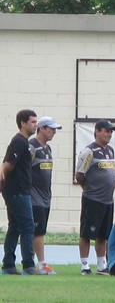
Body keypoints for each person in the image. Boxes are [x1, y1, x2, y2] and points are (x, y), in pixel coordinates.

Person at [1, 109, 44, 275]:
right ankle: (28, 265)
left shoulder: (23, 142)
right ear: (23, 123)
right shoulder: (20, 142)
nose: (36, 125)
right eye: (33, 122)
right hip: (18, 192)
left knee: (15, 227)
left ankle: (8, 265)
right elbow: (7, 165)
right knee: (27, 227)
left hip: (18, 191)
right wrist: (4, 183)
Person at [75, 119, 115, 276]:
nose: (109, 134)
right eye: (106, 131)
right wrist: (89, 190)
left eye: (111, 131)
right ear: (97, 131)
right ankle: (85, 265)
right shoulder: (89, 151)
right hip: (93, 200)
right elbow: (79, 175)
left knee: (102, 234)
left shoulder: (110, 151)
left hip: (108, 200)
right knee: (87, 233)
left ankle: (101, 265)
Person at [29, 116, 61, 274]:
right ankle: (41, 265)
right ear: (41, 128)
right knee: (38, 232)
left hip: (46, 197)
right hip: (34, 198)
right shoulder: (31, 147)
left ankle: (33, 264)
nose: (54, 132)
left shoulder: (48, 149)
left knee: (40, 231)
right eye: (51, 128)